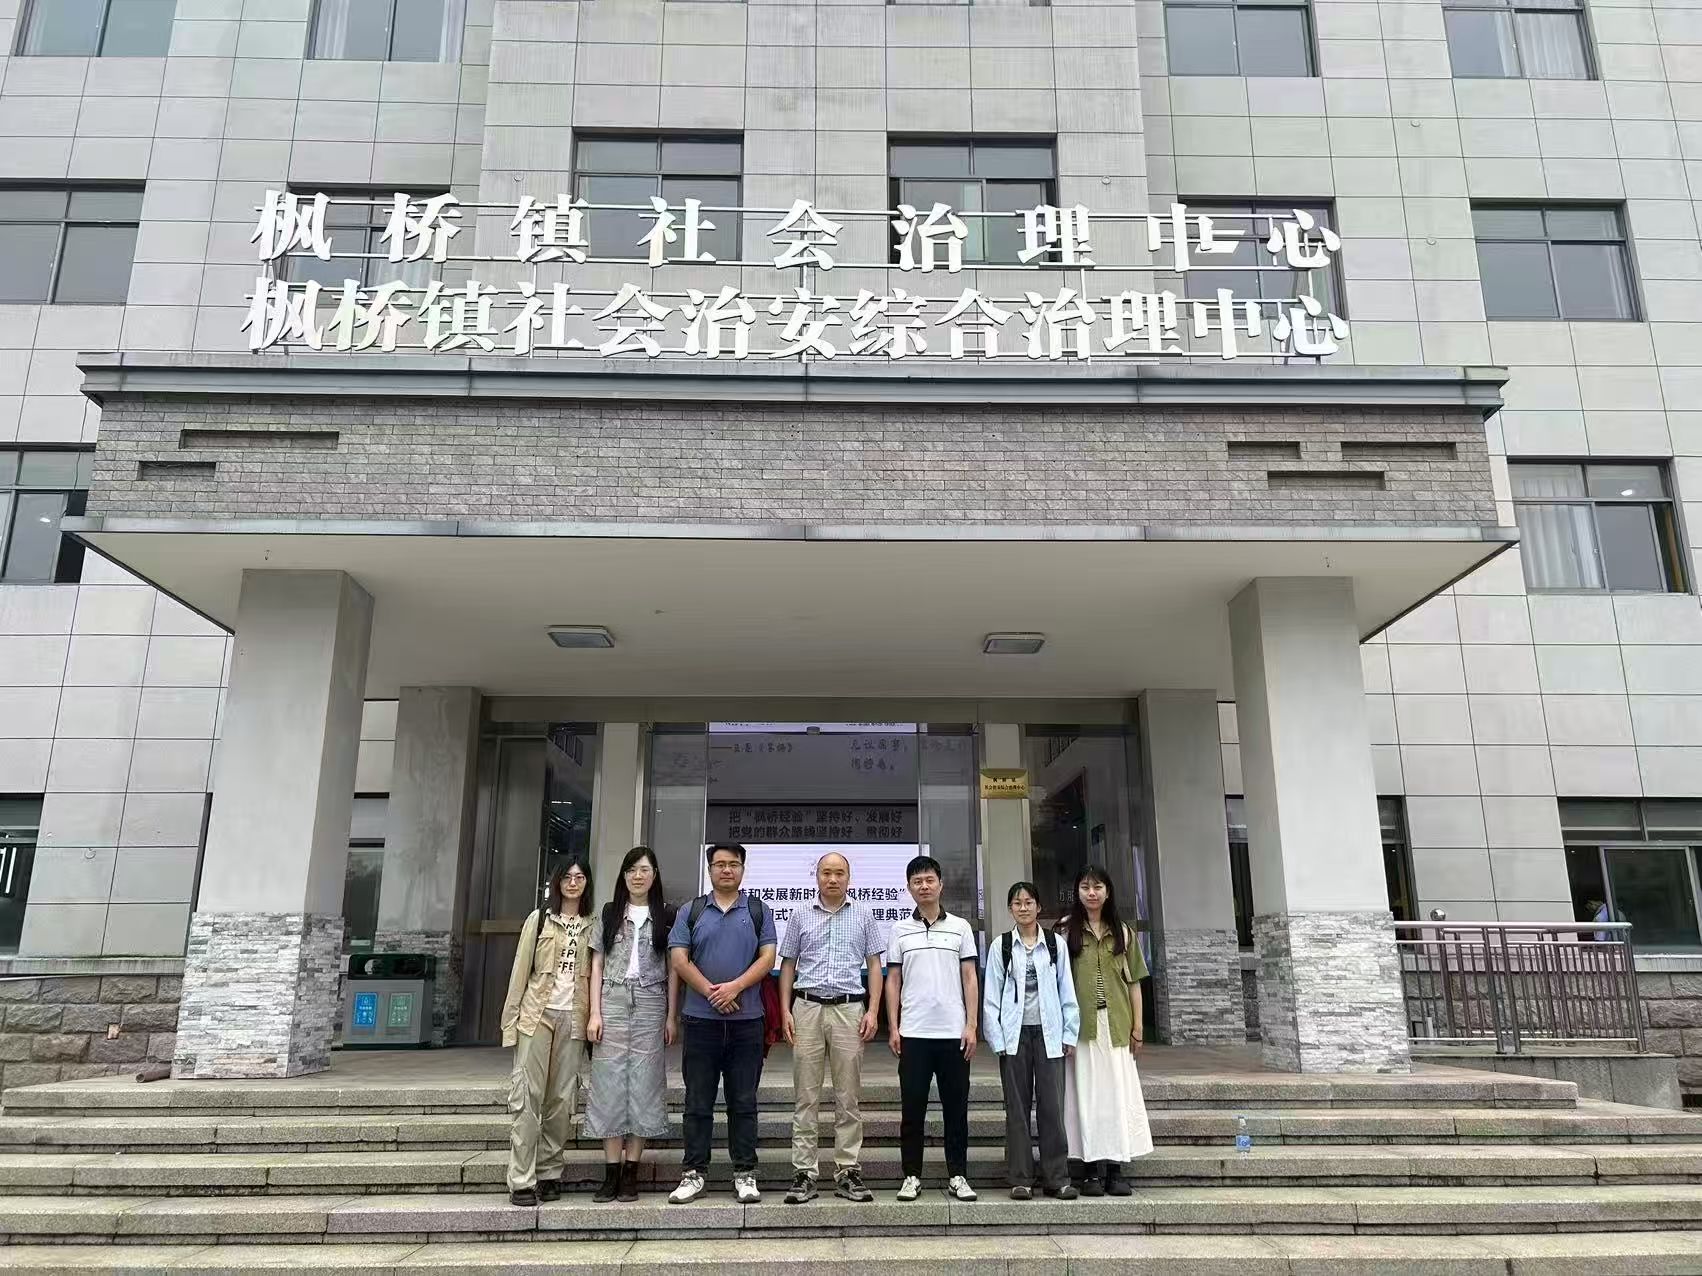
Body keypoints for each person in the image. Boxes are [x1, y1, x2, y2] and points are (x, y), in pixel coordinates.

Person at [667, 841, 778, 1205]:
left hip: (747, 1022)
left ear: (742, 869)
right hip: (701, 1021)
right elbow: (679, 960)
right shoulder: (692, 910)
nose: (726, 870)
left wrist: (735, 988)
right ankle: (693, 1173)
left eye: (733, 864)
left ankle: (745, 1173)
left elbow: (767, 958)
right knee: (697, 1101)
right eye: (719, 864)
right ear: (710, 869)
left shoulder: (759, 910)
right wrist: (712, 992)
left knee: (743, 1101)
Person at [777, 851, 884, 1204]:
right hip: (806, 1008)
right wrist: (785, 1010)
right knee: (805, 1097)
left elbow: (874, 965)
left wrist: (873, 1010)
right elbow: (788, 964)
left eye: (839, 873)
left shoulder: (864, 914)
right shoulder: (799, 914)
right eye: (826, 872)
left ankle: (847, 1171)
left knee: (848, 1097)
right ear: (817, 876)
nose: (833, 879)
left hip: (849, 1010)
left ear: (849, 878)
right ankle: (804, 1173)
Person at [583, 846, 679, 1203]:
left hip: (652, 1002)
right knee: (607, 1082)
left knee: (645, 1082)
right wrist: (595, 1013)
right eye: (631, 870)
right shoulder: (609, 913)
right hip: (612, 998)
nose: (638, 876)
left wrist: (671, 1016)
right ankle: (611, 1171)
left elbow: (673, 970)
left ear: (655, 875)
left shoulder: (667, 915)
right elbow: (596, 965)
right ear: (623, 876)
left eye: (644, 869)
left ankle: (631, 1171)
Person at [500, 859, 595, 1207]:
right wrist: (510, 1023)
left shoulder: (593, 925)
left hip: (574, 1018)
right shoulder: (539, 919)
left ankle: (550, 1172)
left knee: (561, 1100)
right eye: (567, 877)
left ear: (587, 883)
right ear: (557, 882)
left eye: (579, 877)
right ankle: (521, 1180)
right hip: (536, 1016)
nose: (573, 882)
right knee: (528, 1096)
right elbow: (520, 970)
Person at [885, 854, 979, 1203]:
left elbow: (969, 977)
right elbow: (893, 980)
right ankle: (911, 1176)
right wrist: (893, 1027)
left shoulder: (960, 927)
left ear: (941, 884)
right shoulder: (899, 930)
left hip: (954, 1035)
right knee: (912, 1109)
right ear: (909, 888)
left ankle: (958, 1175)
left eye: (929, 880)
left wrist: (972, 1025)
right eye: (917, 881)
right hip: (914, 1033)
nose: (923, 886)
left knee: (956, 1109)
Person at [1058, 864, 1153, 1197]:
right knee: (1085, 1096)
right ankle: (1088, 1170)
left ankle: (1115, 1168)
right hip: (1080, 1028)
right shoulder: (1065, 931)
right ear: (1077, 892)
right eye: (1085, 887)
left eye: (1098, 887)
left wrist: (1138, 1028)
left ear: (1108, 892)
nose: (1092, 893)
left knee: (1116, 1096)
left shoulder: (1123, 933)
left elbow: (1134, 982)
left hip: (1116, 1026)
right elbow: (1058, 983)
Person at [983, 881, 1081, 1202]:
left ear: (1039, 907)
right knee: (1017, 1109)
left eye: (1028, 902)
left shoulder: (1054, 944)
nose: (1023, 908)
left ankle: (1057, 1178)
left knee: (1052, 1107)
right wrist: (996, 1037)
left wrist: (1069, 1033)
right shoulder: (1001, 946)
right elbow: (991, 996)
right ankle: (1021, 1178)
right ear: (1010, 909)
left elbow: (1067, 989)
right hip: (1015, 1037)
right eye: (1017, 903)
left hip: (1049, 1035)